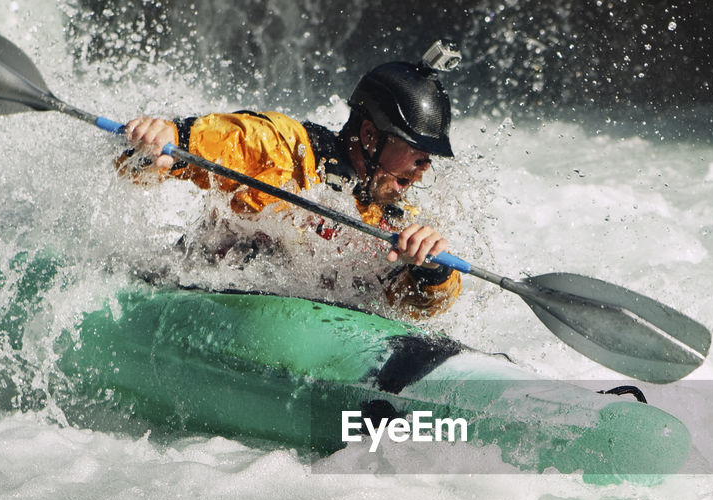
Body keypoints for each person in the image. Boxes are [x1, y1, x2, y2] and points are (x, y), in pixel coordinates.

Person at [120, 43, 463, 320]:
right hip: (188, 300)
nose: (424, 166)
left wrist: (432, 268)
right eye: (417, 151)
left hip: (289, 333)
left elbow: (415, 308)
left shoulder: (395, 220)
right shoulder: (287, 150)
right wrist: (169, 138)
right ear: (370, 135)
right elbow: (227, 139)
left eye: (429, 157)